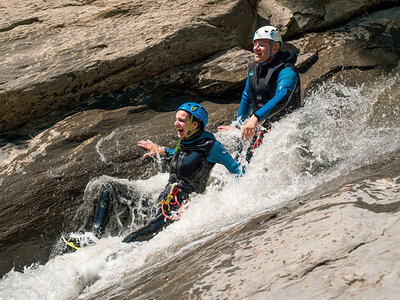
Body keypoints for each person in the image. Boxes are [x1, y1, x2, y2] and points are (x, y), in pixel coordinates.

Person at [63, 102, 243, 249]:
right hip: (163, 199)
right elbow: (184, 155)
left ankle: (104, 261)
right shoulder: (185, 140)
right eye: (175, 119)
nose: (175, 124)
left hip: (178, 209)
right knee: (109, 188)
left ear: (195, 125)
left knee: (132, 238)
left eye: (181, 120)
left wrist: (241, 196)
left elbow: (236, 169)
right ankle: (94, 236)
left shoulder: (212, 147)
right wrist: (162, 150)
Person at [219, 25, 301, 162]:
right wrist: (238, 125)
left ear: (275, 48)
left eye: (261, 45)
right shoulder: (254, 68)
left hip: (285, 128)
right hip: (260, 124)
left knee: (251, 163)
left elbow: (282, 97)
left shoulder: (287, 70)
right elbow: (247, 96)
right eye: (255, 44)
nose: (256, 48)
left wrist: (255, 118)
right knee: (241, 161)